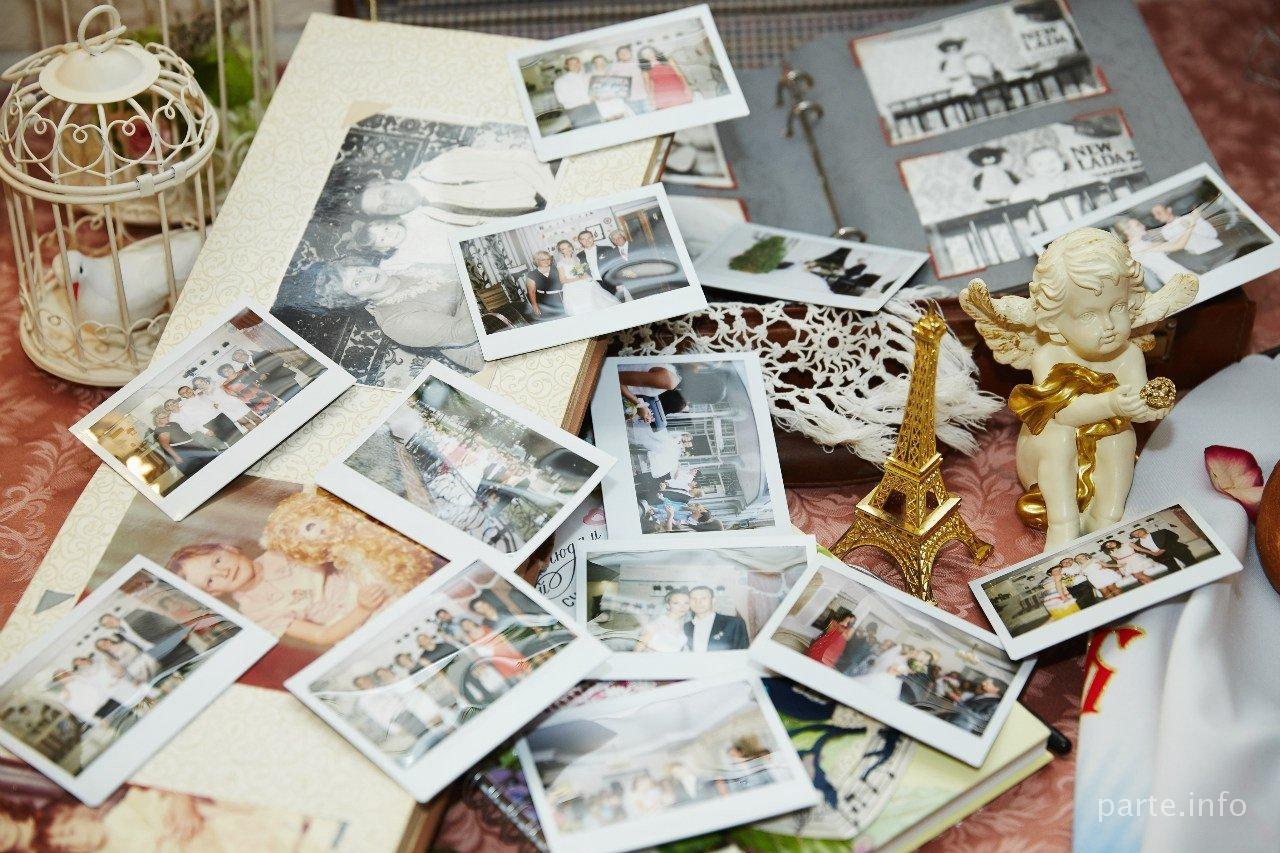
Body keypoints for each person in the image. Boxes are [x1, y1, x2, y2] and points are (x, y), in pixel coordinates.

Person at [165, 543, 386, 646]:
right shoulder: (255, 611)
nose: (223, 572)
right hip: (353, 623)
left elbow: (336, 548)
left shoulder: (281, 548)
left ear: (228, 548)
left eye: (217, 561)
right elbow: (322, 636)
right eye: (210, 580)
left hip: (367, 580)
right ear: (213, 593)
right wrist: (363, 609)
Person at [312, 260, 483, 373]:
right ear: (358, 299)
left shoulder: (408, 269)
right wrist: (475, 286)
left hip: (481, 297)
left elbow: (460, 268)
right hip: (480, 342)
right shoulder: (393, 322)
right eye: (357, 283)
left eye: (359, 270)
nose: (366, 276)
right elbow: (462, 332)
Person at [97, 610, 198, 675]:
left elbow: (162, 619)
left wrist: (180, 631)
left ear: (114, 616)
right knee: (182, 671)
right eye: (106, 624)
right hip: (156, 654)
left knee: (194, 660)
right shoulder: (119, 635)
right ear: (107, 627)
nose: (110, 623)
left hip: (168, 643)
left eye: (109, 620)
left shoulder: (134, 614)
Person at [1115, 217, 1194, 288]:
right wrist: (1192, 225)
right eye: (1138, 225)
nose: (1143, 226)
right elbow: (1178, 245)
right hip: (1178, 279)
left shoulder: (1139, 246)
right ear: (1127, 231)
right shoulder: (1138, 248)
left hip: (1177, 277)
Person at [555, 238, 619, 315]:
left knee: (598, 304)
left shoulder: (577, 259)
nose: (567, 249)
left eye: (568, 246)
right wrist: (578, 278)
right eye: (563, 249)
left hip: (584, 283)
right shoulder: (561, 263)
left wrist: (590, 278)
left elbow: (582, 272)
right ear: (561, 251)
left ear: (571, 247)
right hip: (572, 288)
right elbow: (563, 280)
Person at [150, 411, 219, 479]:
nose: (167, 418)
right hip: (183, 451)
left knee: (212, 460)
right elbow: (165, 446)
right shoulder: (160, 430)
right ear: (157, 420)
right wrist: (176, 457)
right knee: (198, 470)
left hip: (193, 444)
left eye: (167, 416)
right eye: (164, 417)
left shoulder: (172, 424)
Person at [228, 347, 303, 404]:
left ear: (244, 352)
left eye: (240, 355)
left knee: (301, 394)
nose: (240, 358)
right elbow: (253, 378)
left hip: (282, 378)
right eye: (237, 358)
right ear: (238, 361)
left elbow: (279, 360)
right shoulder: (244, 368)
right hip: (273, 388)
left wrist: (267, 373)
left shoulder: (261, 354)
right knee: (290, 401)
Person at [683, 586, 748, 651]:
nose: (698, 602)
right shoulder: (686, 627)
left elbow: (743, 652)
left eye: (703, 598)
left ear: (713, 600)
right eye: (693, 599)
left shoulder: (734, 623)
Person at [460, 618, 529, 680]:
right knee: (516, 673)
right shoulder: (469, 638)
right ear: (464, 628)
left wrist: (510, 647)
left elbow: (499, 637)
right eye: (465, 625)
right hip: (495, 657)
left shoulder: (484, 627)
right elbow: (477, 651)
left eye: (468, 622)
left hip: (504, 650)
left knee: (524, 666)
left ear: (472, 622)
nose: (468, 625)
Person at [174, 385, 240, 448]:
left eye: (187, 390)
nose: (187, 392)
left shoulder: (203, 394)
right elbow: (193, 421)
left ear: (191, 389)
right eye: (184, 393)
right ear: (182, 396)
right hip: (210, 424)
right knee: (228, 441)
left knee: (238, 435)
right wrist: (205, 431)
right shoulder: (185, 407)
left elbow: (216, 402)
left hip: (221, 417)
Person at [192, 376, 257, 433]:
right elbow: (212, 405)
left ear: (205, 380)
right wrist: (217, 406)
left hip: (234, 402)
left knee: (254, 418)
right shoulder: (202, 395)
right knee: (245, 423)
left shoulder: (216, 383)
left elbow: (229, 390)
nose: (201, 384)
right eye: (198, 384)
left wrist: (238, 397)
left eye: (201, 381)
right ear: (197, 387)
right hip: (226, 409)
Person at [634, 588, 691, 653]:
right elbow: (638, 648)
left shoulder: (684, 623)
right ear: (668, 606)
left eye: (686, 603)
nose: (682, 607)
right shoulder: (657, 624)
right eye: (676, 603)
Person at [553, 56, 600, 129]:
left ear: (580, 64)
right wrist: (587, 99)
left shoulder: (587, 76)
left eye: (577, 63)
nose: (575, 65)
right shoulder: (560, 81)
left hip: (594, 108)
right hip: (576, 111)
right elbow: (562, 99)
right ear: (567, 66)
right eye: (572, 64)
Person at [1129, 526, 1195, 573]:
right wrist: (1152, 554)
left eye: (1138, 531)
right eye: (1135, 534)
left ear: (1143, 530)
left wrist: (1163, 549)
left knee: (1191, 563)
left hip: (1173, 548)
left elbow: (1175, 536)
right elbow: (1138, 550)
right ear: (1135, 537)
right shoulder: (1137, 544)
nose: (1137, 533)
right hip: (1160, 556)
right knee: (1174, 570)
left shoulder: (1161, 532)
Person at [523, 250, 564, 320]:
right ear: (537, 261)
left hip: (563, 296)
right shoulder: (532, 275)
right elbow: (531, 292)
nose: (546, 261)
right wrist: (534, 305)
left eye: (548, 259)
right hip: (546, 301)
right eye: (543, 260)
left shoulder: (557, 268)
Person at [611, 45, 649, 114]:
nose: (624, 54)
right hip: (629, 99)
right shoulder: (615, 67)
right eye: (621, 53)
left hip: (644, 95)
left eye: (626, 52)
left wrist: (649, 93)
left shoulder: (639, 62)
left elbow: (646, 78)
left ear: (630, 53)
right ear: (618, 56)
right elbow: (613, 82)